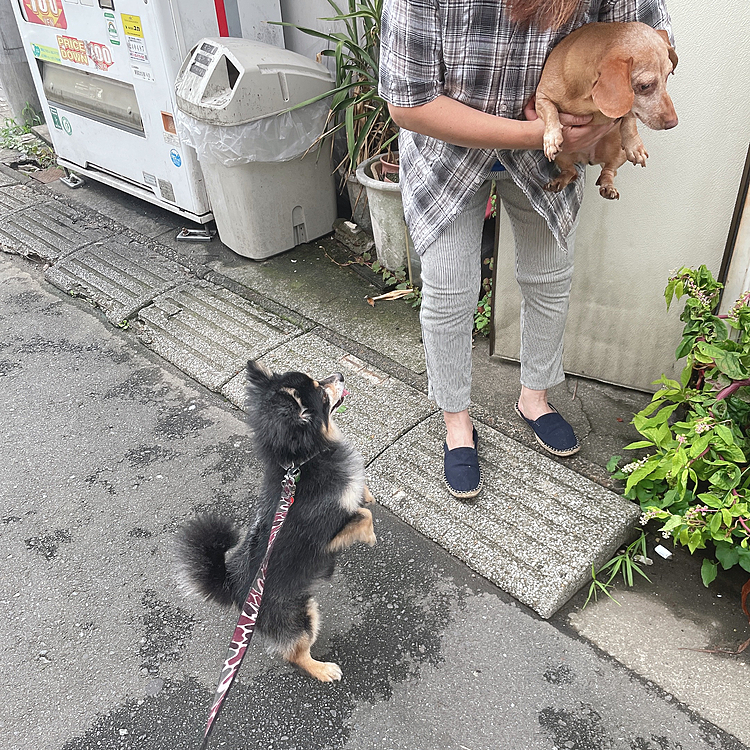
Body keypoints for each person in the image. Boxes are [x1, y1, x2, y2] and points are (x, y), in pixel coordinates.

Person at [378, 0, 672, 498]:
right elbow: (407, 103)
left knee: (549, 277)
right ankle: (456, 422)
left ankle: (534, 398)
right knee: (449, 292)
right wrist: (535, 133)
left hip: (555, 153)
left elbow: (655, 36)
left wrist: (602, 125)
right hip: (451, 148)